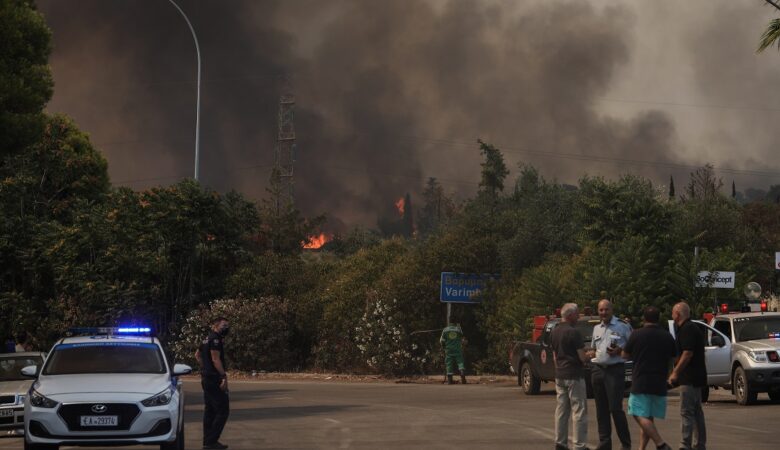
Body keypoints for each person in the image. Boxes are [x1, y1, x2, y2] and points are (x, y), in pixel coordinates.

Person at [621, 306, 676, 450]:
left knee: (637, 414)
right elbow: (673, 357)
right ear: (658, 318)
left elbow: (624, 355)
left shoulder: (637, 334)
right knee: (648, 417)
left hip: (641, 381)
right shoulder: (667, 336)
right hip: (659, 382)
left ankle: (661, 444)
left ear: (643, 318)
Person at [587, 298, 632, 450]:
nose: (603, 313)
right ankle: (605, 443)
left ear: (611, 310)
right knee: (601, 410)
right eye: (601, 310)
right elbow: (594, 349)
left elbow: (633, 348)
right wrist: (588, 354)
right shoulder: (596, 328)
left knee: (615, 409)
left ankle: (626, 444)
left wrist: (620, 351)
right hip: (598, 370)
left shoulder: (623, 326)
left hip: (614, 370)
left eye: (606, 309)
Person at [551, 303, 590, 450]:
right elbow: (582, 357)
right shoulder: (573, 332)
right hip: (574, 374)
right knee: (579, 410)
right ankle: (579, 445)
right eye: (577, 314)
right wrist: (590, 355)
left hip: (560, 374)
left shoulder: (555, 331)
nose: (578, 317)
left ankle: (560, 443)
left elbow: (555, 355)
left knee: (562, 410)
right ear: (570, 315)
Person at [668, 302, 707, 450]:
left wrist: (675, 373)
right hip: (696, 378)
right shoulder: (691, 328)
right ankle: (699, 445)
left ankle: (685, 445)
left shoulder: (687, 329)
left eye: (673, 313)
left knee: (687, 413)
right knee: (696, 413)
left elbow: (687, 353)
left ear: (678, 314)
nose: (672, 316)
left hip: (689, 378)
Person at [196, 317, 231, 450]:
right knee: (223, 410)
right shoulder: (215, 339)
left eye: (227, 325)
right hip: (214, 379)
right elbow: (215, 359)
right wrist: (223, 376)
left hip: (206, 377)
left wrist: (205, 368)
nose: (226, 328)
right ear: (216, 325)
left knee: (210, 410)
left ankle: (208, 442)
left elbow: (197, 355)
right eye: (224, 325)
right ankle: (211, 441)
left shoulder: (206, 338)